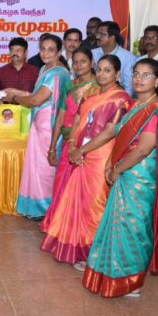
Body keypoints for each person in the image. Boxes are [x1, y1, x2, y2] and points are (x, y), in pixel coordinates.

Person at [83, 58, 158, 297]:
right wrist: (111, 162)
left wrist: (117, 169)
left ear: (157, 81)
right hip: (123, 170)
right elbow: (119, 137)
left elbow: (144, 148)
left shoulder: (155, 109)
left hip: (140, 178)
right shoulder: (134, 105)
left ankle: (131, 281)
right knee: (118, 224)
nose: (139, 78)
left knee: (134, 227)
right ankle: (112, 273)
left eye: (146, 75)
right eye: (136, 73)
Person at [41, 55, 131, 267]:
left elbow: (110, 131)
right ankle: (77, 246)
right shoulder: (90, 94)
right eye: (99, 69)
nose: (101, 74)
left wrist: (81, 150)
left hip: (101, 155)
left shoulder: (122, 99)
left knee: (95, 203)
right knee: (78, 202)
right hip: (80, 152)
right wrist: (73, 145)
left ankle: (94, 253)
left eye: (107, 70)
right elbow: (77, 120)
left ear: (117, 74)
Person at [6, 34, 71, 220]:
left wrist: (14, 98)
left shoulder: (58, 73)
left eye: (51, 49)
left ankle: (45, 208)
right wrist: (19, 92)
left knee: (45, 170)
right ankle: (35, 207)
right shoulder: (45, 68)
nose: (46, 53)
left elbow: (36, 100)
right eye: (43, 48)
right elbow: (37, 94)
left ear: (59, 52)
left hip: (50, 128)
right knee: (36, 168)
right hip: (39, 125)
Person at [41, 47, 97, 232]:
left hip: (86, 146)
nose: (79, 65)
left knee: (79, 190)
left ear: (91, 63)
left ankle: (75, 230)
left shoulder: (97, 87)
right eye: (76, 62)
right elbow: (60, 117)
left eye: (83, 61)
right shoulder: (69, 85)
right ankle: (58, 226)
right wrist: (52, 147)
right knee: (61, 185)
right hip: (67, 142)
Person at [92, 21, 137, 95]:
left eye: (102, 34)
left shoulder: (128, 57)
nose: (97, 37)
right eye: (97, 33)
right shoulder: (92, 53)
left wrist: (122, 101)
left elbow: (129, 86)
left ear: (112, 37)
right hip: (95, 95)